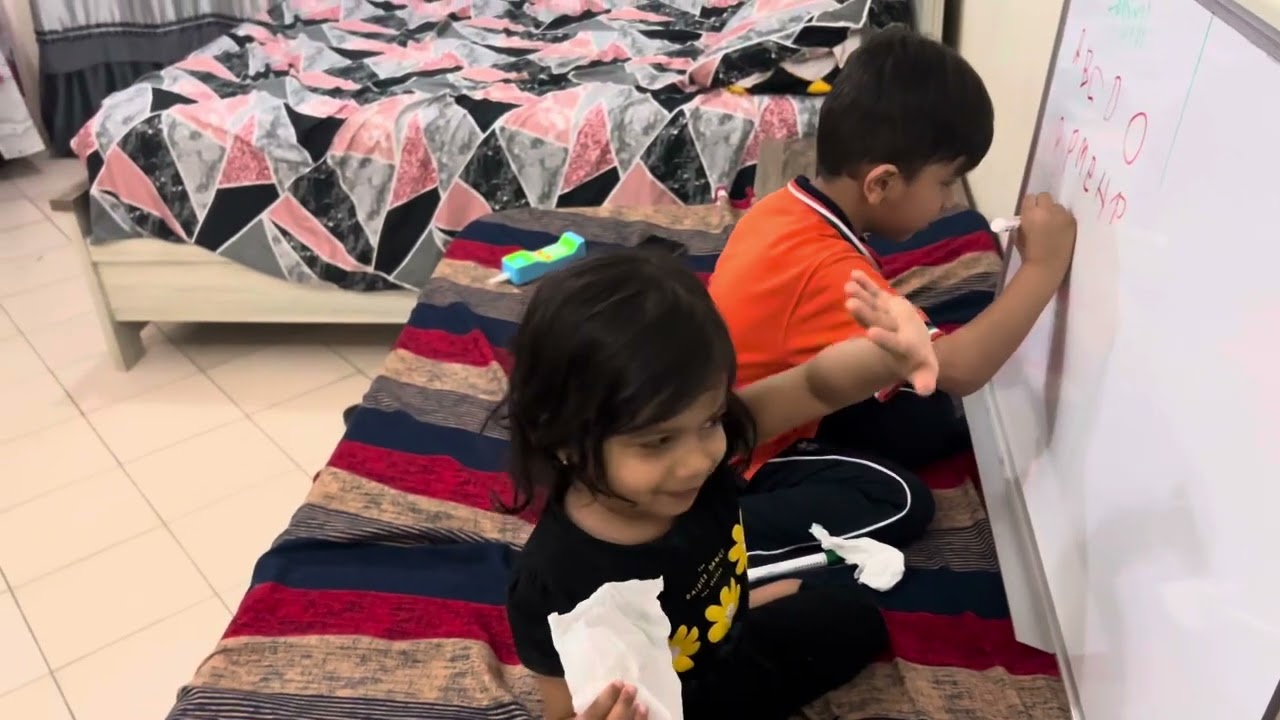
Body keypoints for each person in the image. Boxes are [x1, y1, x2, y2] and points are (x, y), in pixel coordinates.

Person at [502, 248, 938, 720]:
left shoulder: (706, 454)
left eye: (709, 420)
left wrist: (889, 355)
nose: (698, 461)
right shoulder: (553, 584)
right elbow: (562, 711)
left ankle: (755, 597)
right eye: (658, 441)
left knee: (860, 623)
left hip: (733, 639)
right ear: (563, 439)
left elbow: (814, 386)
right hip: (672, 706)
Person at [710, 29, 1078, 483]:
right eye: (945, 183)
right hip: (745, 455)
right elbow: (960, 369)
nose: (948, 201)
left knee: (919, 412)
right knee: (903, 484)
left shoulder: (781, 207)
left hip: (740, 394)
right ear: (881, 184)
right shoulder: (831, 271)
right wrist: (1043, 268)